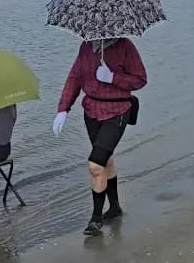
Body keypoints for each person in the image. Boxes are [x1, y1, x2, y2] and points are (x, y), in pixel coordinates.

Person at [53, 38, 147, 236]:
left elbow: (140, 79)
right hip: (91, 111)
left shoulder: (125, 46)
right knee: (106, 160)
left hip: (118, 110)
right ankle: (114, 208)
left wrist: (112, 77)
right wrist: (63, 109)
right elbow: (75, 77)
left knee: (95, 165)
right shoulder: (86, 46)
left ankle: (95, 219)